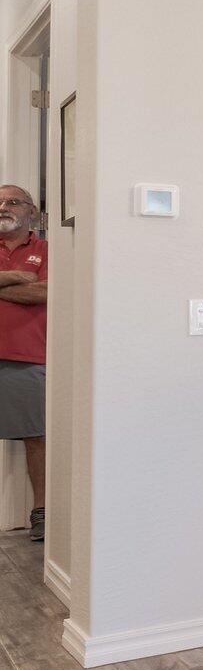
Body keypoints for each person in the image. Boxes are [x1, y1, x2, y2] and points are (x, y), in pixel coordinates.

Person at [0, 186, 49, 541]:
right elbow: (30, 287)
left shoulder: (48, 249)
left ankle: (42, 513)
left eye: (12, 201)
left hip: (26, 355)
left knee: (37, 437)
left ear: (31, 211)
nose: (4, 207)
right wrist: (18, 278)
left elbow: (47, 291)